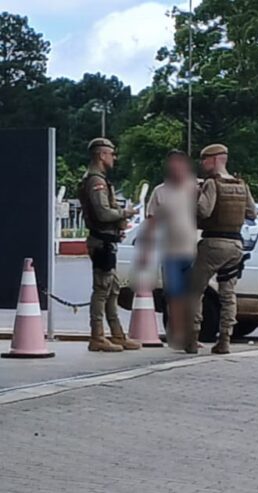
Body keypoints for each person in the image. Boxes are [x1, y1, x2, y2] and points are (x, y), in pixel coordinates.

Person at [185, 143, 257, 354]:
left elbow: (204, 211)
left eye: (205, 160)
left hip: (214, 243)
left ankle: (192, 338)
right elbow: (252, 213)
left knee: (195, 290)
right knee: (228, 294)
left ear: (215, 159)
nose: (202, 164)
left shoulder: (212, 183)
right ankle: (225, 339)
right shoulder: (241, 184)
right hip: (236, 245)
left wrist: (193, 197)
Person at [78, 138, 140, 352]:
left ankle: (117, 334)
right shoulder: (96, 181)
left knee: (112, 289)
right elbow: (103, 213)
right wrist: (124, 213)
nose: (114, 158)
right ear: (101, 155)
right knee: (102, 290)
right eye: (111, 154)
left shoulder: (99, 180)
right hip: (101, 242)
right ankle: (97, 336)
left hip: (107, 240)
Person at [142, 150, 197, 349]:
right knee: (174, 295)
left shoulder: (195, 188)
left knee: (193, 296)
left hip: (193, 251)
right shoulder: (160, 192)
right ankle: (177, 335)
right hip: (170, 252)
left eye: (180, 164)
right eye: (172, 164)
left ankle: (192, 335)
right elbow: (151, 221)